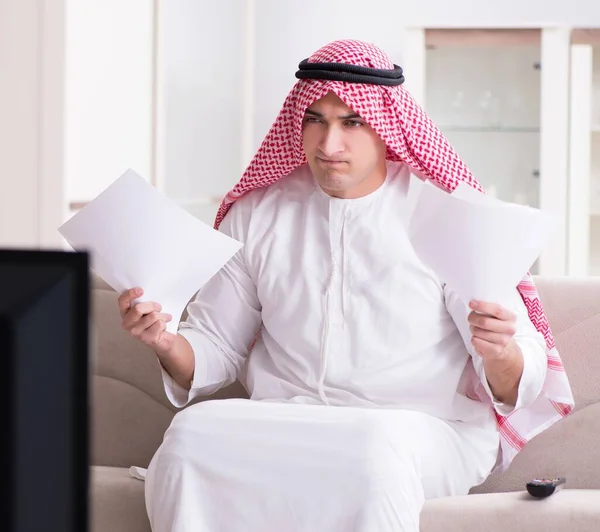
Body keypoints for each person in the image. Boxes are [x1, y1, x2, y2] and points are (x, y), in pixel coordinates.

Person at [118, 40, 574, 532]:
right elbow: (215, 346)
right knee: (189, 436)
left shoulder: (445, 214)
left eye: (351, 122)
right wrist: (165, 341)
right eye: (315, 119)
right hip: (286, 421)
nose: (328, 144)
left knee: (372, 454)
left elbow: (515, 378)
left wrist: (499, 351)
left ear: (384, 127)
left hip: (419, 428)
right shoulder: (257, 214)